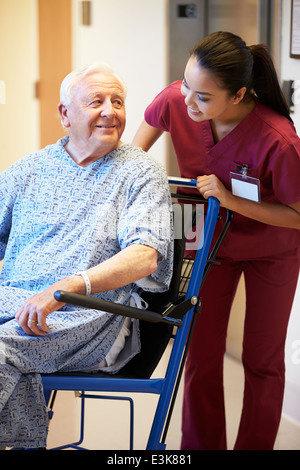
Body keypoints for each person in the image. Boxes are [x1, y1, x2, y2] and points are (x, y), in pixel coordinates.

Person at [133, 31, 300, 450]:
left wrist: (227, 199)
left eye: (202, 97)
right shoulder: (178, 99)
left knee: (261, 361)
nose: (187, 101)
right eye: (185, 84)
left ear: (239, 93)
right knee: (201, 356)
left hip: (273, 252)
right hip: (209, 248)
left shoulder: (278, 139)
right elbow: (134, 157)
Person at [0, 62, 173, 449]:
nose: (111, 111)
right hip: (13, 302)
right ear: (65, 114)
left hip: (85, 314)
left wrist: (69, 285)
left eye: (118, 102)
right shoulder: (30, 170)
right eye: (97, 101)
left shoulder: (140, 172)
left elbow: (146, 256)